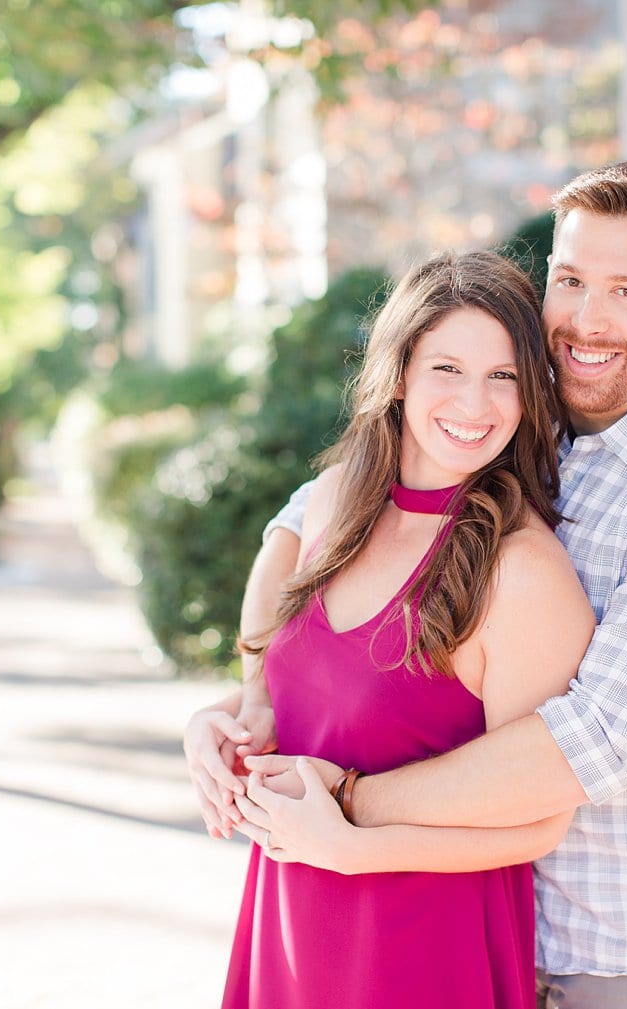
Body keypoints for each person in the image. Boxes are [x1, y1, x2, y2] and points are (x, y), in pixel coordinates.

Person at [189, 160, 627, 1008]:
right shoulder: (525, 401)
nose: (587, 317)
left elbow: (595, 741)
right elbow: (300, 520)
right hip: (482, 911)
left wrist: (350, 802)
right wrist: (254, 698)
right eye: (572, 280)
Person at [207, 249, 596, 1009]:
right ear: (400, 373)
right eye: (447, 368)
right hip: (288, 924)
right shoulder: (331, 504)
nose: (474, 402)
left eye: (504, 376)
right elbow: (289, 687)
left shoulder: (520, 571)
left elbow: (542, 819)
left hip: (422, 952)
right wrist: (225, 720)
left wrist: (354, 850)